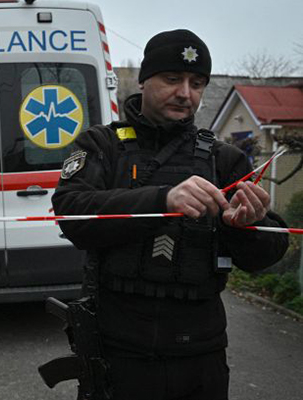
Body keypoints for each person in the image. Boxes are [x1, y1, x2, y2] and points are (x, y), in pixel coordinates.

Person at [52, 29, 289, 400]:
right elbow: (71, 212)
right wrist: (162, 201)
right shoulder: (102, 145)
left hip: (201, 355)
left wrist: (247, 226)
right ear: (144, 80)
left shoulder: (224, 159)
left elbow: (267, 254)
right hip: (119, 352)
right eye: (172, 79)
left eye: (197, 83)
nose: (185, 93)